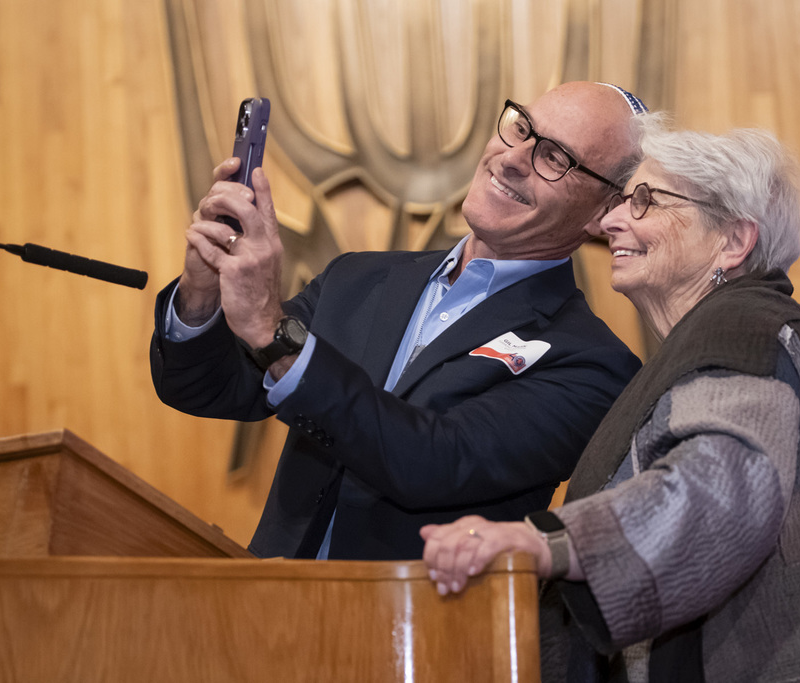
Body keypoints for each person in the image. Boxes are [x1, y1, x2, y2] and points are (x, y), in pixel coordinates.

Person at [421, 117, 800, 681]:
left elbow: (717, 492)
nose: (608, 221)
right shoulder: (733, 330)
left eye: (646, 201)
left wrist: (540, 542)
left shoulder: (743, 328)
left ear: (732, 241)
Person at [150, 82, 648, 561]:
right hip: (271, 620)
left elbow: (432, 461)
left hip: (415, 637)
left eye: (555, 158)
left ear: (603, 212)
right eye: (521, 129)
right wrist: (200, 292)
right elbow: (205, 388)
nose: (514, 158)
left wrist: (271, 333)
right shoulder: (358, 278)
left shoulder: (593, 365)